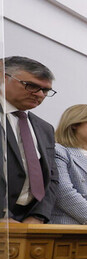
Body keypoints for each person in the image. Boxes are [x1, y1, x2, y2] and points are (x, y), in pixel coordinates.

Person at [4, 56, 58, 223]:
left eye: (45, 90)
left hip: (29, 221)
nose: (39, 94)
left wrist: (38, 216)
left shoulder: (45, 128)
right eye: (31, 86)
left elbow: (52, 177)